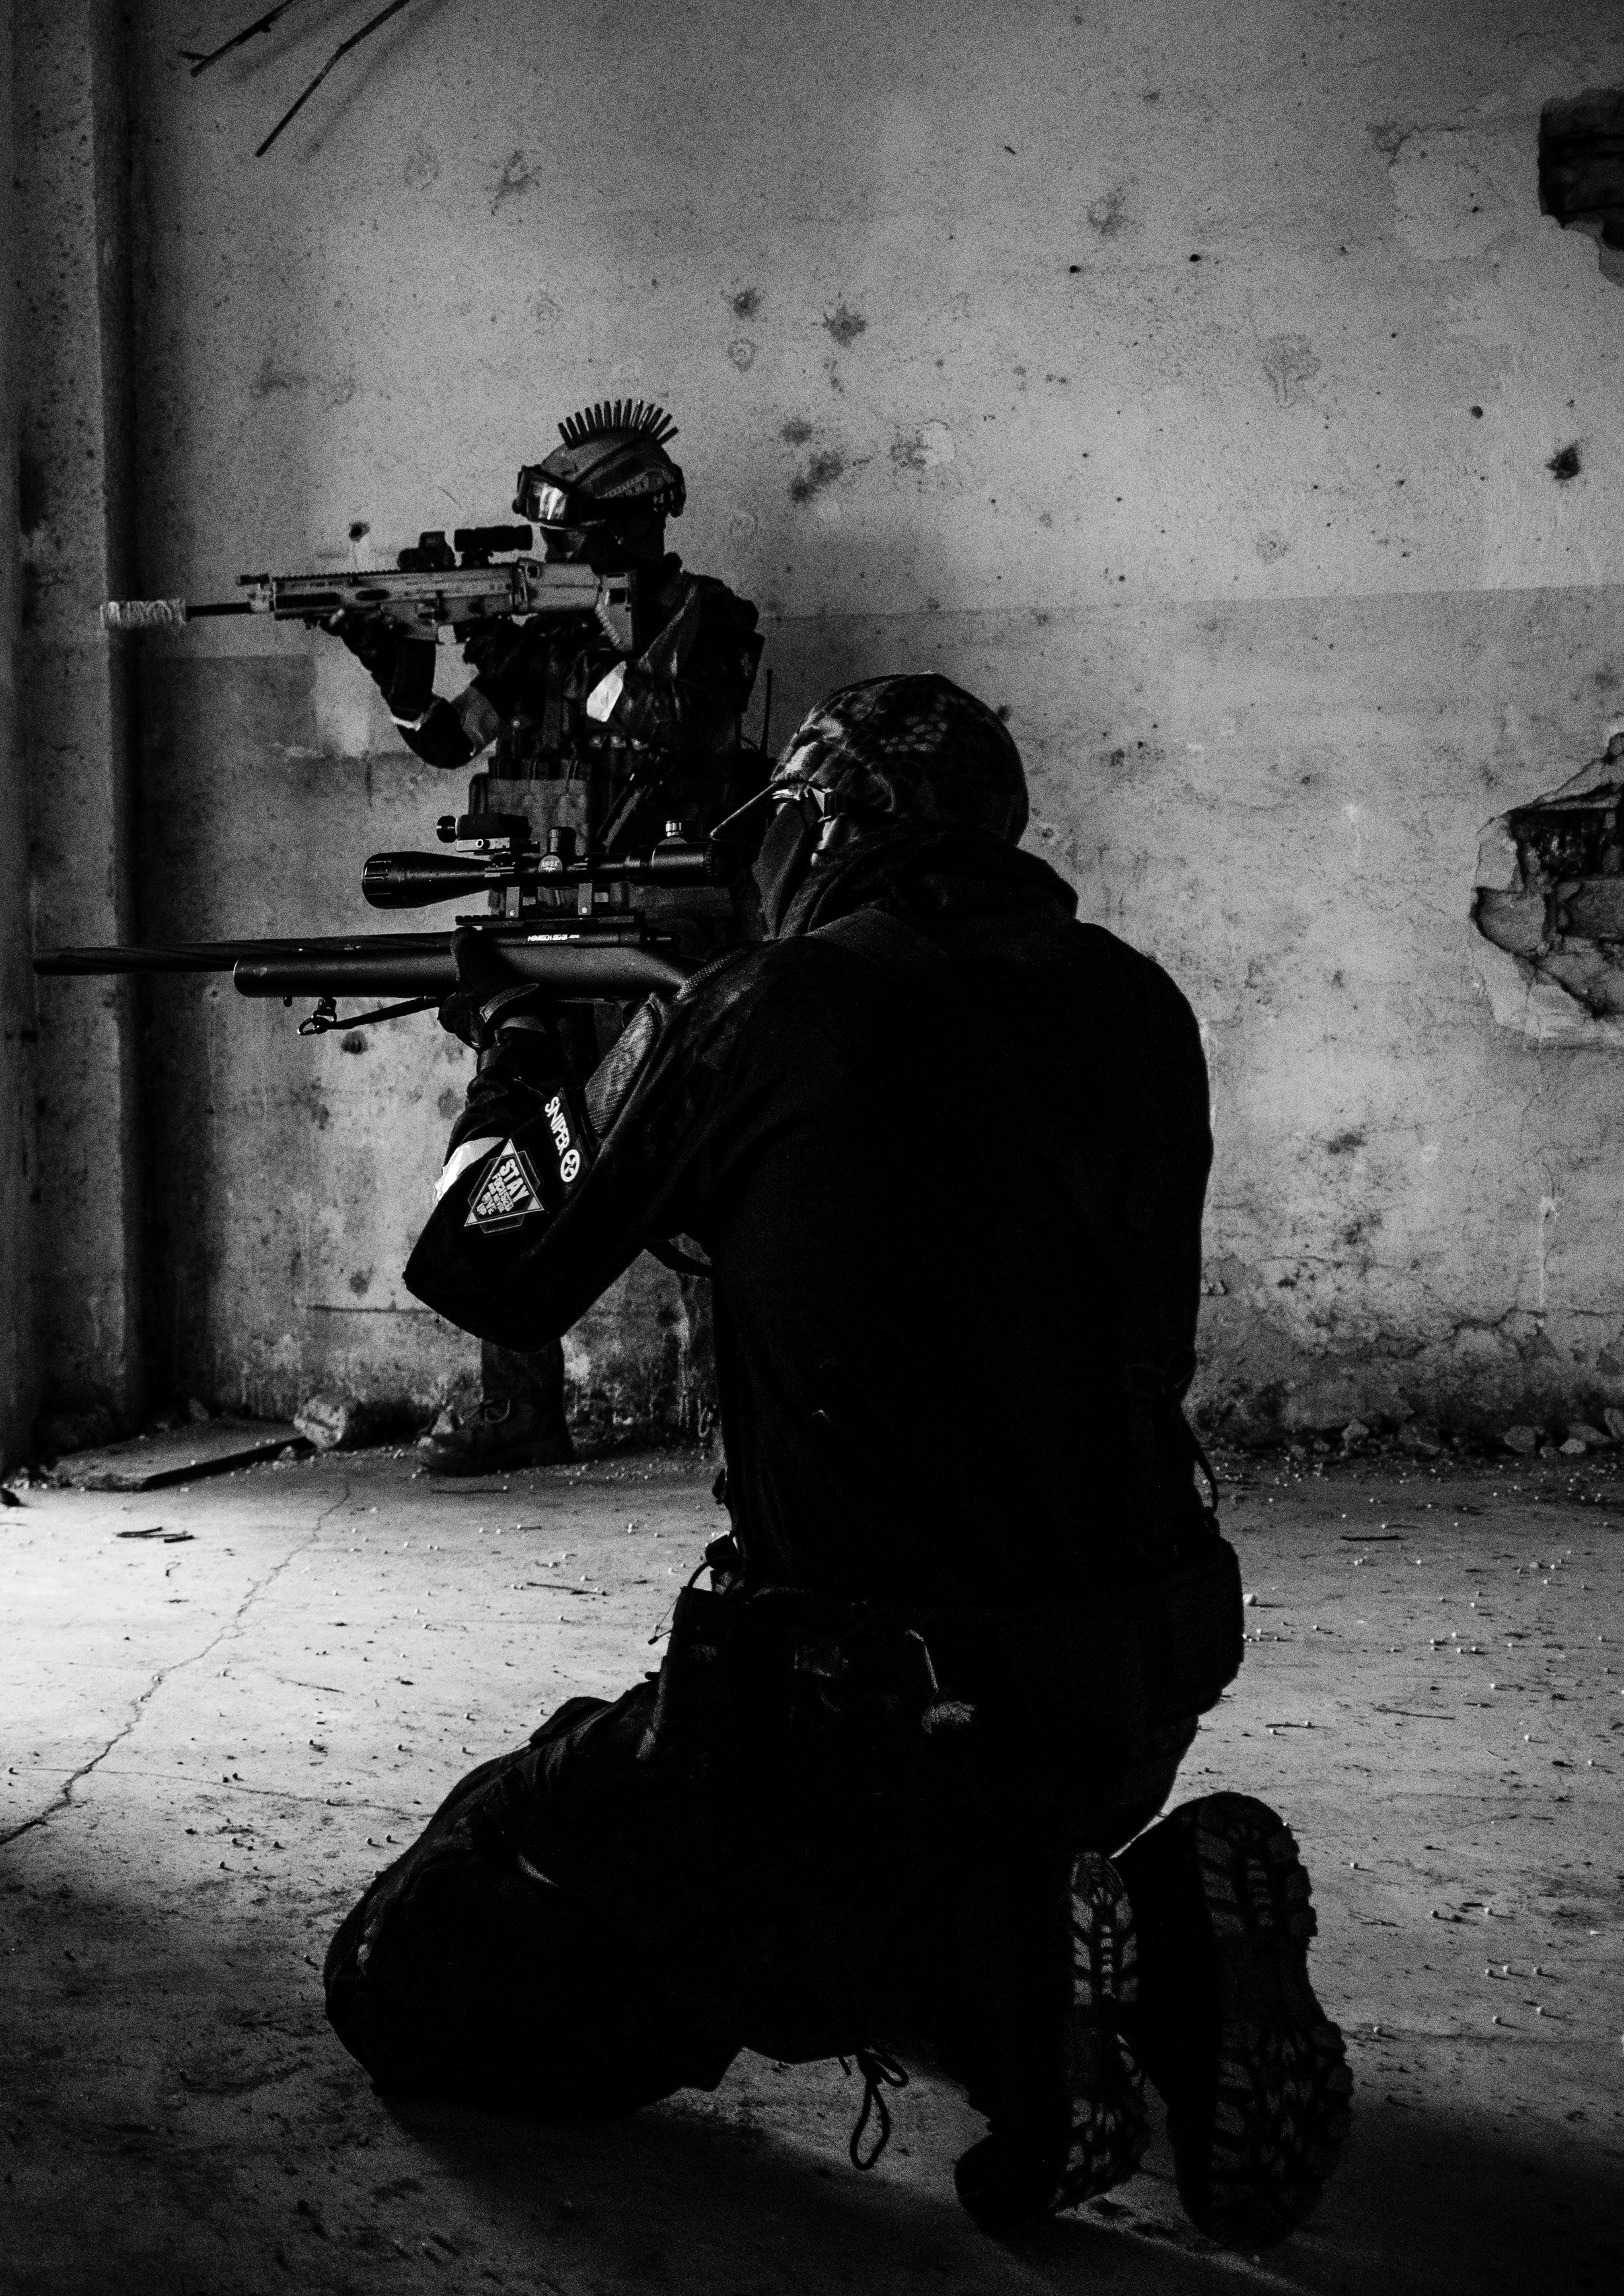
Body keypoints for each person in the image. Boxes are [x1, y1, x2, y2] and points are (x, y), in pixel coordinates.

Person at [317, 674, 1352, 2246]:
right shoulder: (1139, 1006)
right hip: (1127, 1680)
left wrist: (524, 1063)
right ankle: (1141, 1935)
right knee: (914, 1852)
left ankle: (1018, 2009)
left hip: (836, 1710)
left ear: (824, 822)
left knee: (411, 1972)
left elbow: (481, 1265)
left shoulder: (759, 1007)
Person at [324, 399, 764, 1477]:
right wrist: (403, 677)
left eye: (571, 537)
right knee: (499, 1158)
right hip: (541, 931)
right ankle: (519, 1407)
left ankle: (741, 1412)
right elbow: (447, 740)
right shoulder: (535, 641)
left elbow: (691, 725)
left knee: (708, 1175)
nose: (553, 552)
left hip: (669, 936)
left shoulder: (714, 618)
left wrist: (584, 657)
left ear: (629, 532)